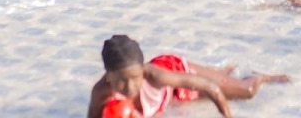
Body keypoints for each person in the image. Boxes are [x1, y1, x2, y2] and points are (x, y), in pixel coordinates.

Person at [86, 34, 288, 118]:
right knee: (216, 79)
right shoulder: (101, 93)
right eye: (122, 80)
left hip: (175, 71)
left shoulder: (154, 76)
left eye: (135, 78)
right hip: (168, 95)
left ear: (142, 71)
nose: (130, 87)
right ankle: (221, 71)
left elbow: (211, 88)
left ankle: (261, 77)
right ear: (108, 75)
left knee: (247, 91)